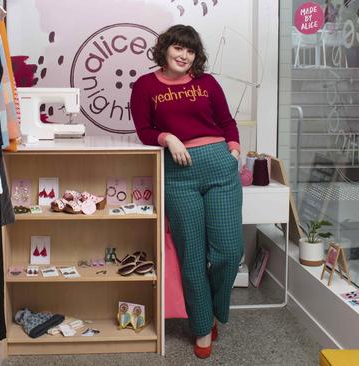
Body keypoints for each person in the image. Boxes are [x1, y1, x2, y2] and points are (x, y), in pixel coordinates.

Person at [130, 24, 243, 359]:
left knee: (228, 252)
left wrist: (233, 151)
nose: (183, 55)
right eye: (178, 47)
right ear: (164, 49)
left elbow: (227, 121)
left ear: (196, 56)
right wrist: (168, 137)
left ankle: (212, 309)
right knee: (191, 257)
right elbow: (144, 129)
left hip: (219, 168)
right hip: (178, 173)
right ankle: (202, 327)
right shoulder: (145, 86)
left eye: (190, 51)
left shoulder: (206, 83)